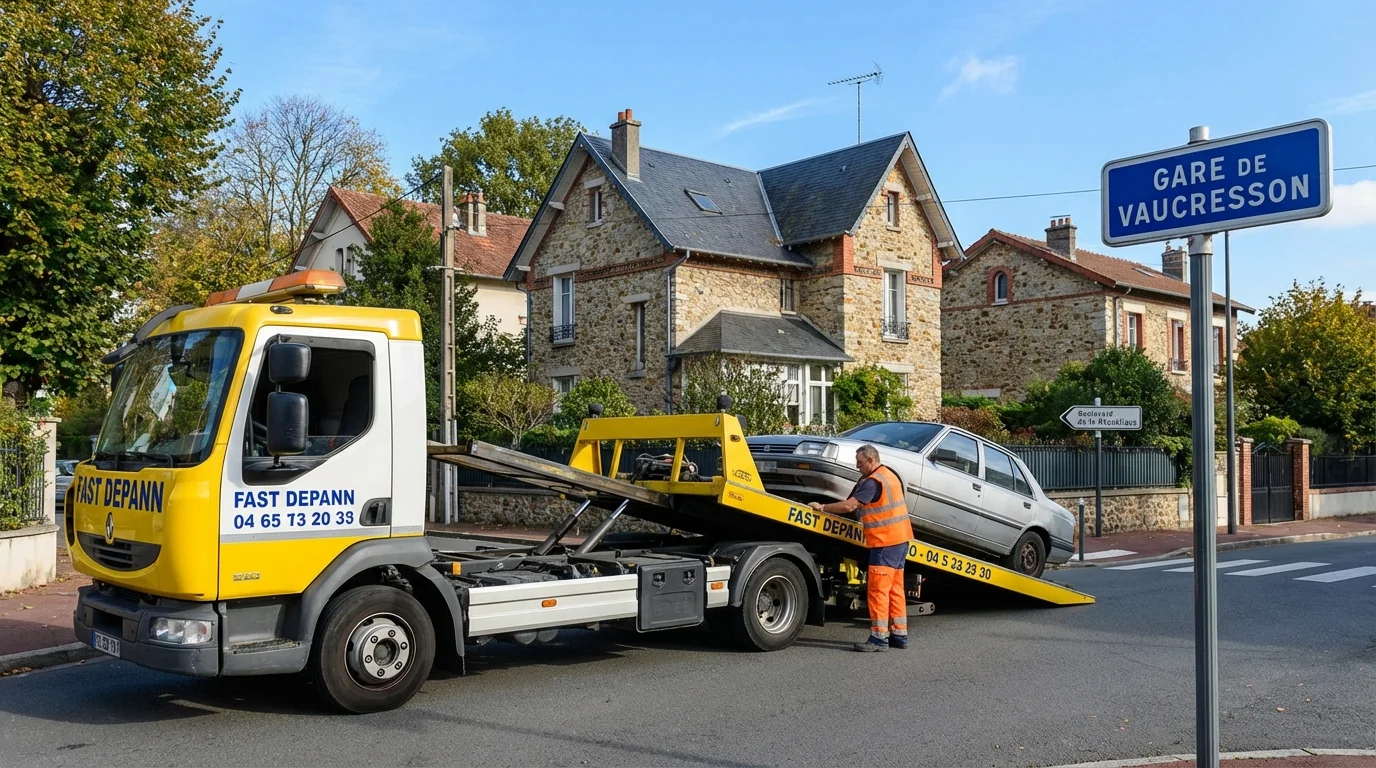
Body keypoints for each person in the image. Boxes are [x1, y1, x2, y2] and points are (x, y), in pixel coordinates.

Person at [809, 444, 914, 652]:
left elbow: (849, 506)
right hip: (900, 539)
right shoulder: (888, 474)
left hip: (885, 542)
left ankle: (879, 638)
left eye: (860, 463)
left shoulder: (873, 482)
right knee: (895, 590)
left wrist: (822, 508)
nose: (858, 467)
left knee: (878, 591)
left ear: (871, 460)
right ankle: (899, 634)